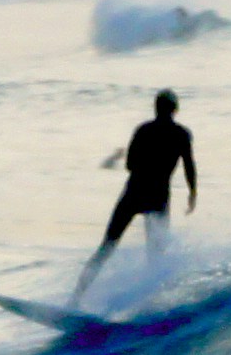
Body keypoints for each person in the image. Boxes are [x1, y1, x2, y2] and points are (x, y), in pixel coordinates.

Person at [80, 90, 198, 292]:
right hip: (159, 197)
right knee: (155, 256)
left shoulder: (143, 130)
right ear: (175, 110)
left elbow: (129, 165)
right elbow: (189, 166)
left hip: (134, 192)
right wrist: (192, 193)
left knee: (107, 247)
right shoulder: (181, 135)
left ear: (156, 108)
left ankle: (76, 298)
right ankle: (149, 302)